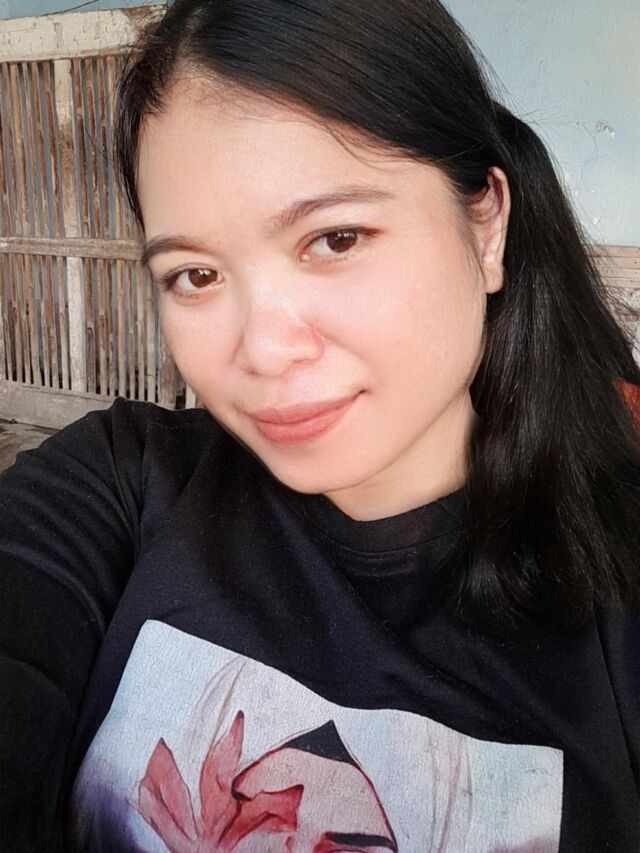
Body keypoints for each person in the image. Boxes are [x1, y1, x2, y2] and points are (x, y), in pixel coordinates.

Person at [1, 0, 638, 850]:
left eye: (335, 238)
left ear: (486, 224)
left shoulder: (619, 581)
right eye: (195, 275)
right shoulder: (119, 482)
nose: (263, 351)